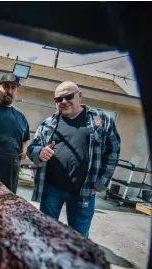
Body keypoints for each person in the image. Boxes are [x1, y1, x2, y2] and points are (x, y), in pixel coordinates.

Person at [27, 81, 121, 238]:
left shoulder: (102, 120)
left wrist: (99, 183)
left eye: (68, 96)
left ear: (80, 96)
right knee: (46, 232)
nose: (64, 102)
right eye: (59, 99)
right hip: (51, 189)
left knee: (79, 236)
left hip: (83, 191)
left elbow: (113, 152)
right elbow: (32, 148)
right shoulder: (48, 123)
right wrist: (39, 152)